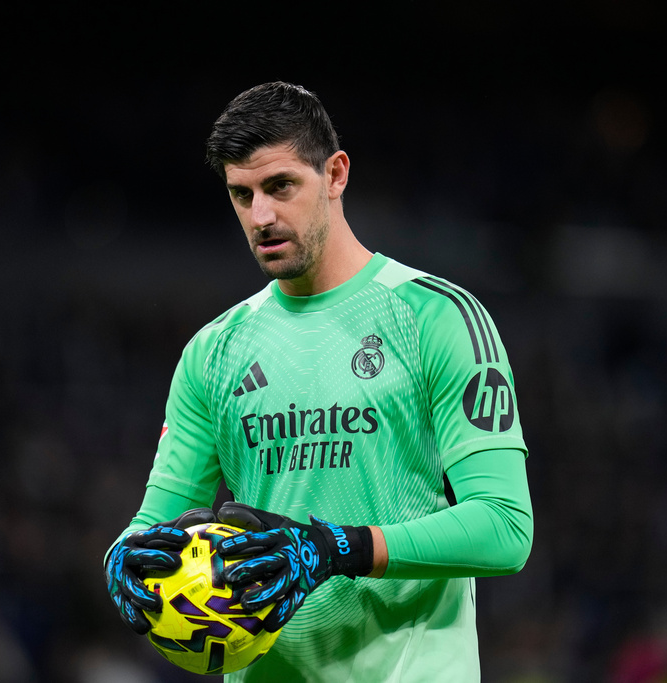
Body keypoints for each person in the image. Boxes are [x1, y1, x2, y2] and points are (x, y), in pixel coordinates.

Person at [105, 81, 534, 682]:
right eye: (242, 194)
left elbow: (505, 527)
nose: (261, 216)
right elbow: (154, 526)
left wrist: (336, 549)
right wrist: (121, 561)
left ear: (335, 174)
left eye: (280, 186)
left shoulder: (436, 317)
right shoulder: (212, 352)